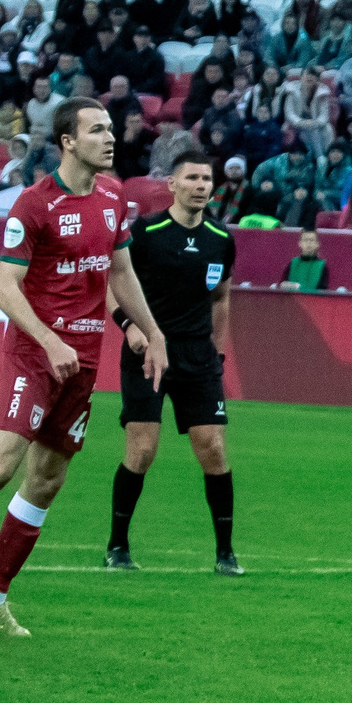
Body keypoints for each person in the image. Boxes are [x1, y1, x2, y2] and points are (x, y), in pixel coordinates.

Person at [0, 99, 170, 638]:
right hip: (35, 356)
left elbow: (120, 271)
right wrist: (48, 341)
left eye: (111, 128)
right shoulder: (34, 204)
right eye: (97, 130)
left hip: (83, 359)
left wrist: (151, 331)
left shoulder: (114, 197)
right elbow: (4, 290)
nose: (110, 138)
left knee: (47, 480)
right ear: (68, 141)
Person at [105, 153, 242, 575]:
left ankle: (225, 553)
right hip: (147, 353)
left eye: (207, 178)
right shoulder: (146, 232)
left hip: (197, 356)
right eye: (193, 178)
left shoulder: (221, 237)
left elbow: (221, 298)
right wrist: (128, 325)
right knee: (143, 449)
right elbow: (111, 282)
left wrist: (217, 353)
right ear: (172, 185)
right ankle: (117, 546)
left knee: (214, 450)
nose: (201, 185)